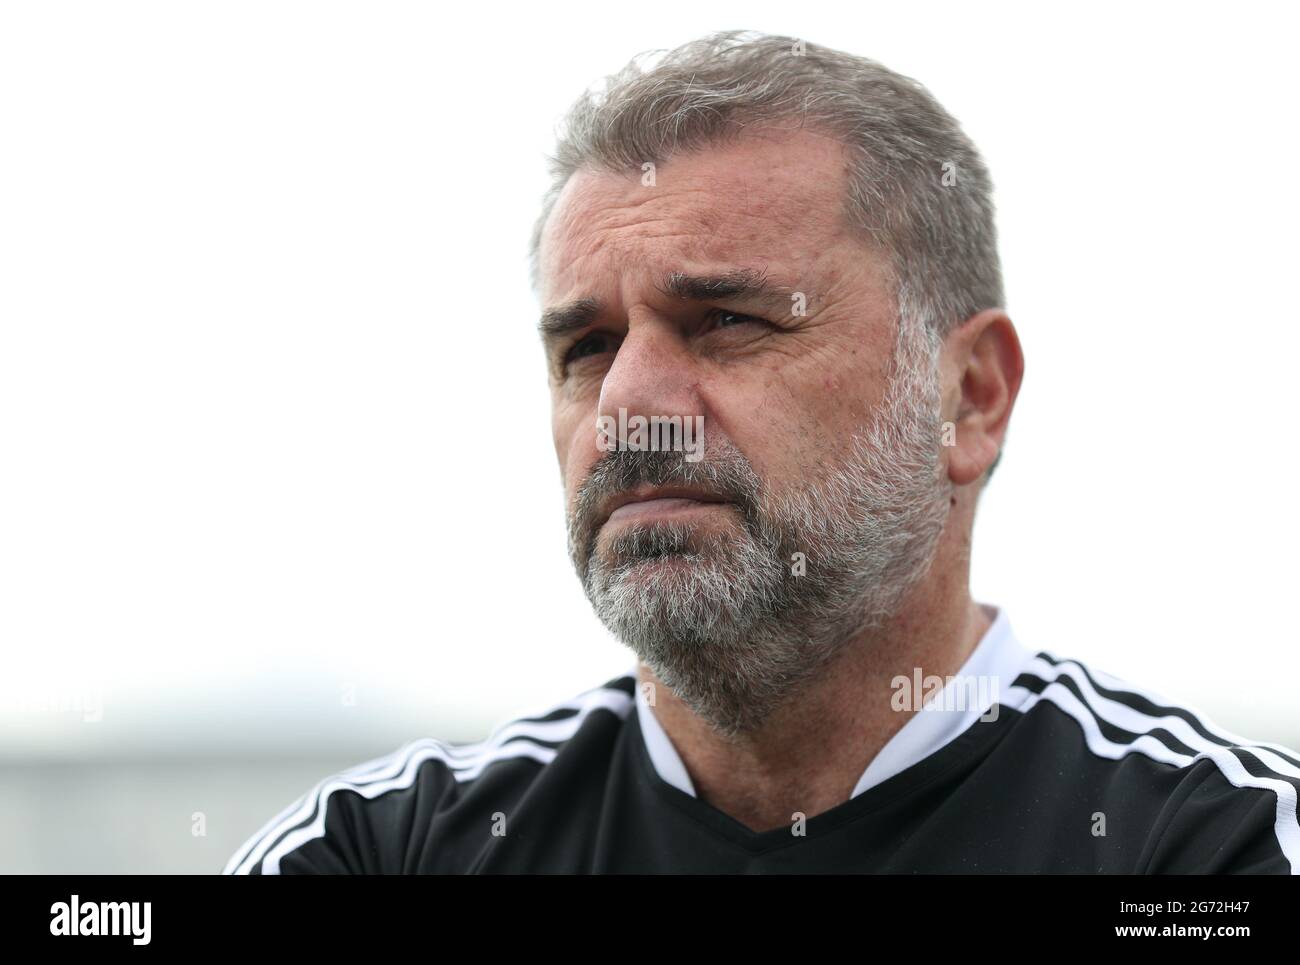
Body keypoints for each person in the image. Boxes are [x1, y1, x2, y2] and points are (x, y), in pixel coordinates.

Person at [224, 29, 1299, 874]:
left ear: (967, 398)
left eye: (729, 319)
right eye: (586, 346)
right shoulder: (374, 852)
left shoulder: (1217, 849)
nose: (629, 407)